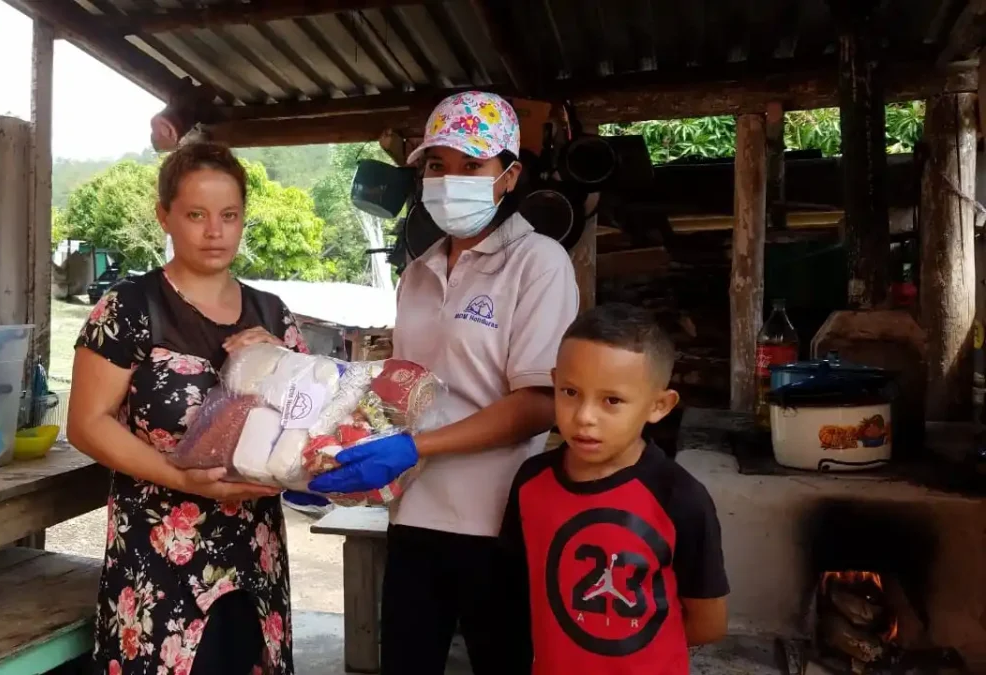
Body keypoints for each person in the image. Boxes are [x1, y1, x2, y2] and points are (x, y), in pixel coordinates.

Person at [309, 91, 579, 674]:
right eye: (437, 165)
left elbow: (538, 404)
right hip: (413, 515)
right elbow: (407, 391)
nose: (449, 178)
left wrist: (415, 447)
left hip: (497, 521)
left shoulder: (538, 263)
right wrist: (342, 434)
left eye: (471, 166)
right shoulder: (420, 272)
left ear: (508, 176)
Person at [68, 141, 308, 675]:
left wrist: (280, 363)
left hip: (255, 557)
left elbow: (310, 426)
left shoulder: (273, 314)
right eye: (196, 215)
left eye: (229, 215)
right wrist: (183, 478)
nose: (214, 231)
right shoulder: (131, 307)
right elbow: (86, 424)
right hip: (157, 558)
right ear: (165, 216)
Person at [499, 303, 729, 675]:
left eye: (612, 400)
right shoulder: (531, 482)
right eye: (570, 392)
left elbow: (709, 623)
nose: (585, 416)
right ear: (554, 382)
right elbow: (518, 594)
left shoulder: (680, 498)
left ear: (659, 405)